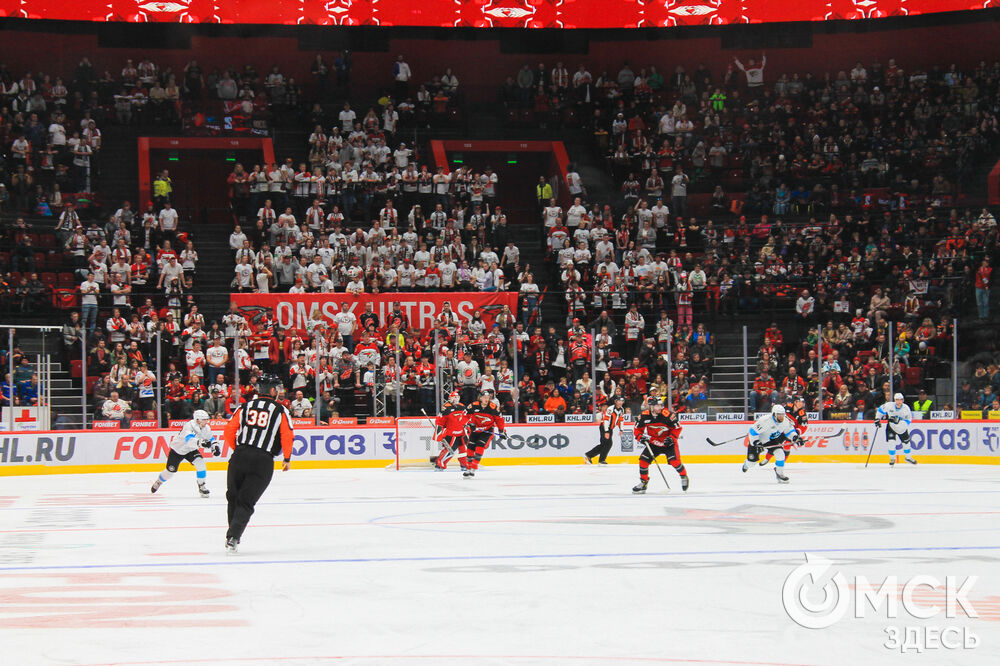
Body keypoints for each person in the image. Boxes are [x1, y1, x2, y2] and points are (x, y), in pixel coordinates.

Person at [221, 374, 294, 553]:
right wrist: (286, 458)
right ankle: (234, 537)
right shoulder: (280, 410)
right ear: (271, 390)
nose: (278, 392)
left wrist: (238, 449)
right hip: (262, 460)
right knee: (246, 501)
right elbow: (287, 435)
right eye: (277, 388)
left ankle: (232, 534)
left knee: (233, 497)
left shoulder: (244, 406)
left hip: (239, 456)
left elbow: (229, 430)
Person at [150, 409, 218, 497]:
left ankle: (202, 486)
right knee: (170, 471)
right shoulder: (189, 426)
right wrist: (201, 443)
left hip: (191, 450)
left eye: (207, 419)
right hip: (178, 449)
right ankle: (159, 481)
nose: (207, 421)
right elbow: (189, 440)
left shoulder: (206, 428)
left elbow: (210, 438)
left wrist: (215, 446)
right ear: (198, 420)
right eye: (205, 420)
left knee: (201, 464)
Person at [631, 399, 689, 493]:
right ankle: (644, 482)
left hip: (668, 443)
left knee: (674, 461)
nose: (660, 408)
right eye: (657, 406)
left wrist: (671, 438)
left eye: (661, 405)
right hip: (654, 443)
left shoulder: (667, 415)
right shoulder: (644, 416)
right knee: (643, 461)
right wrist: (640, 437)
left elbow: (677, 428)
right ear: (651, 406)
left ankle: (683, 476)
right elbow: (637, 429)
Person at [742, 404, 800, 483]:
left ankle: (780, 474)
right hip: (758, 440)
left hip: (770, 440)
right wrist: (756, 442)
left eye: (783, 415)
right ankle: (746, 464)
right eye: (779, 415)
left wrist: (795, 437)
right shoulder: (764, 421)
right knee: (752, 462)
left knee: (780, 454)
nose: (781, 417)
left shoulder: (785, 421)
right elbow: (752, 432)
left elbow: (789, 431)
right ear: (774, 414)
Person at [464, 389, 505, 478]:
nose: (487, 399)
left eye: (488, 397)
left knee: (480, 445)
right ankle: (468, 467)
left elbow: (499, 419)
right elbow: (465, 416)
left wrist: (502, 431)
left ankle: (474, 467)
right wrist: (469, 424)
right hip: (475, 430)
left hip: (487, 430)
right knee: (470, 446)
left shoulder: (493, 407)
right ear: (480, 398)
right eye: (485, 397)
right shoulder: (473, 406)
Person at [760, 397, 808, 468]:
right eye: (799, 402)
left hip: (791, 432)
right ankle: (767, 459)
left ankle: (781, 464)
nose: (801, 404)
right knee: (775, 444)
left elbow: (804, 427)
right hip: (782, 429)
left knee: (787, 447)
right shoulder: (787, 407)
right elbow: (777, 415)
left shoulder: (802, 414)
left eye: (802, 402)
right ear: (795, 402)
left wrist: (797, 433)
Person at [876, 392, 916, 466]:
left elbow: (909, 419)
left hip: (902, 428)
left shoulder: (906, 408)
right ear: (894, 400)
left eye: (900, 400)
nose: (899, 402)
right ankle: (892, 458)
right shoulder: (889, 405)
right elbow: (880, 410)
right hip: (891, 427)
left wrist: (901, 423)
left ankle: (908, 457)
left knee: (906, 443)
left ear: (903, 400)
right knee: (891, 442)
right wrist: (877, 419)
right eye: (897, 400)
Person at [584, 394, 625, 465]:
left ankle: (590, 456)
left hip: (610, 428)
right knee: (608, 443)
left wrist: (621, 429)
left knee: (605, 444)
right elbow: (606, 420)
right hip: (604, 427)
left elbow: (621, 420)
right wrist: (606, 431)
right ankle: (600, 459)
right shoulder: (610, 409)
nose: (621, 402)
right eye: (619, 401)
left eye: (622, 401)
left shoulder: (622, 409)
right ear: (615, 401)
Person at [433, 391, 469, 471]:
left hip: (461, 433)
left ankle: (464, 464)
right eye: (454, 397)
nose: (456, 399)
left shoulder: (462, 406)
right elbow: (440, 420)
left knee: (463, 450)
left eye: (457, 397)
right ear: (450, 398)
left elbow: (466, 418)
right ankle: (439, 463)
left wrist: (468, 425)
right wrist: (438, 431)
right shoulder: (446, 407)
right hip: (450, 433)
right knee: (450, 450)